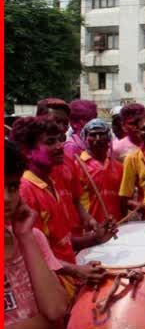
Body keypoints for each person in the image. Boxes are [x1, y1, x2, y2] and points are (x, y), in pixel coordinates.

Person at [11, 117, 115, 300]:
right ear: (27, 151)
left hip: (65, 283)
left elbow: (60, 243)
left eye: (60, 139)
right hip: (47, 290)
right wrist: (77, 270)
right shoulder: (24, 191)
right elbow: (31, 255)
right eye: (50, 142)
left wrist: (95, 239)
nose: (60, 146)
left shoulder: (51, 183)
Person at [4, 140, 69, 329]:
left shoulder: (30, 238)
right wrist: (48, 322)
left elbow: (55, 308)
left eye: (12, 186)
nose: (7, 199)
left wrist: (26, 237)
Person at [37, 99, 99, 238]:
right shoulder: (29, 165)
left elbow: (75, 200)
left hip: (74, 237)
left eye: (64, 123)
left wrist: (88, 219)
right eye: (55, 121)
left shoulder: (69, 159)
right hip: (51, 242)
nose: (60, 127)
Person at [79, 119, 124, 223]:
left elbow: (123, 200)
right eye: (93, 135)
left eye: (102, 134)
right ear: (85, 138)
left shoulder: (119, 167)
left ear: (109, 137)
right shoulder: (77, 166)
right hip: (90, 229)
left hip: (117, 226)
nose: (98, 139)